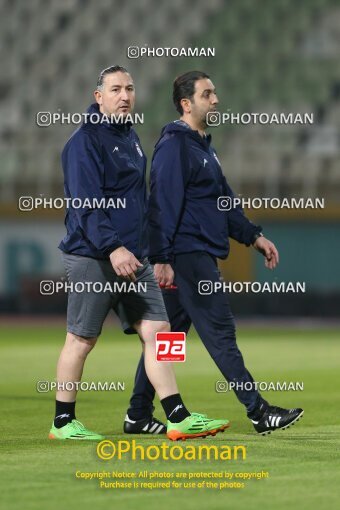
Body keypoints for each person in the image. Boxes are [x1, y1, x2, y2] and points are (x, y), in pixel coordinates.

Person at [49, 66, 229, 441]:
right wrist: (112, 247)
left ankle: (177, 415)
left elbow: (140, 204)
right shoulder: (83, 142)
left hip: (135, 258)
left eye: (130, 88)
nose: (125, 96)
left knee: (161, 332)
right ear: (99, 96)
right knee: (81, 339)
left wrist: (154, 254)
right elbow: (86, 205)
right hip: (94, 256)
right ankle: (63, 423)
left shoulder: (130, 138)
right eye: (115, 89)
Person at [124, 70, 304, 436]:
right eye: (208, 94)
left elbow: (225, 202)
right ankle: (258, 411)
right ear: (186, 104)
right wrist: (160, 257)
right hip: (187, 256)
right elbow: (161, 203)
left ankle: (138, 414)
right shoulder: (175, 145)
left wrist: (253, 236)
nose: (216, 100)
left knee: (168, 338)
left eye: (215, 93)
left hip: (190, 254)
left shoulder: (203, 146)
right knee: (220, 332)